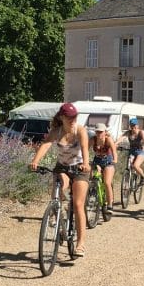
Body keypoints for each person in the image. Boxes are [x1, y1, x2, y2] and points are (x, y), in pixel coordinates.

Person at [29, 102, 91, 256]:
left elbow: (84, 149)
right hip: (62, 167)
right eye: (69, 117)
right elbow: (45, 145)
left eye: (74, 117)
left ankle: (81, 244)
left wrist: (86, 164)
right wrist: (35, 161)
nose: (73, 120)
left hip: (79, 169)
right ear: (62, 117)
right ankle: (58, 216)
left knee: (77, 204)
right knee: (58, 190)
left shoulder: (80, 131)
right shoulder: (56, 132)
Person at [91, 122, 118, 216]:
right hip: (97, 161)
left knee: (107, 182)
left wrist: (115, 160)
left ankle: (110, 204)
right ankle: (91, 196)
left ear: (105, 132)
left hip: (108, 161)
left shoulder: (108, 140)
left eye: (101, 132)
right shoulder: (93, 140)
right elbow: (85, 149)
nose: (99, 134)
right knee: (90, 178)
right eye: (97, 132)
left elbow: (114, 151)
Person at [122, 117, 144, 184]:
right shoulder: (128, 132)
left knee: (136, 165)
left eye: (134, 125)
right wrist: (114, 144)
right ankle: (129, 181)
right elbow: (121, 138)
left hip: (140, 151)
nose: (133, 126)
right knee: (129, 165)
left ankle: (143, 177)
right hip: (132, 151)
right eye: (131, 125)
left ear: (137, 126)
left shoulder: (141, 132)